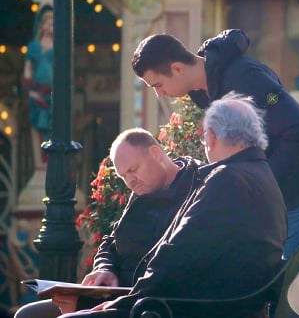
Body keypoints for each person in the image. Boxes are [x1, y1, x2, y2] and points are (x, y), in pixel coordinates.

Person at [60, 92, 287, 318]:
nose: (130, 181)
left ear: (211, 137)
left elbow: (176, 256)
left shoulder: (226, 179)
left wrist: (124, 304)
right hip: (211, 305)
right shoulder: (264, 177)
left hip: (183, 309)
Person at [131, 30, 299, 258]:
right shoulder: (204, 89)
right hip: (282, 201)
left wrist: (263, 184)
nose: (160, 94)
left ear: (178, 69)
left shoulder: (246, 78)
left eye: (157, 85)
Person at [13, 128, 201, 317]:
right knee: (28, 314)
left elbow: (172, 268)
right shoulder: (141, 191)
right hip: (113, 295)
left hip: (148, 303)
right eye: (123, 176)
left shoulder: (197, 189)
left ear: (155, 153)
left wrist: (109, 303)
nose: (130, 182)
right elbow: (111, 241)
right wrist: (105, 268)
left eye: (132, 170)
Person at [23, 5, 54, 142]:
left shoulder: (59, 45)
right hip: (37, 93)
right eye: (48, 24)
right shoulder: (34, 46)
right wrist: (30, 90)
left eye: (53, 24)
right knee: (37, 128)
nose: (50, 27)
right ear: (42, 26)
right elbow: (28, 69)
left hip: (53, 94)